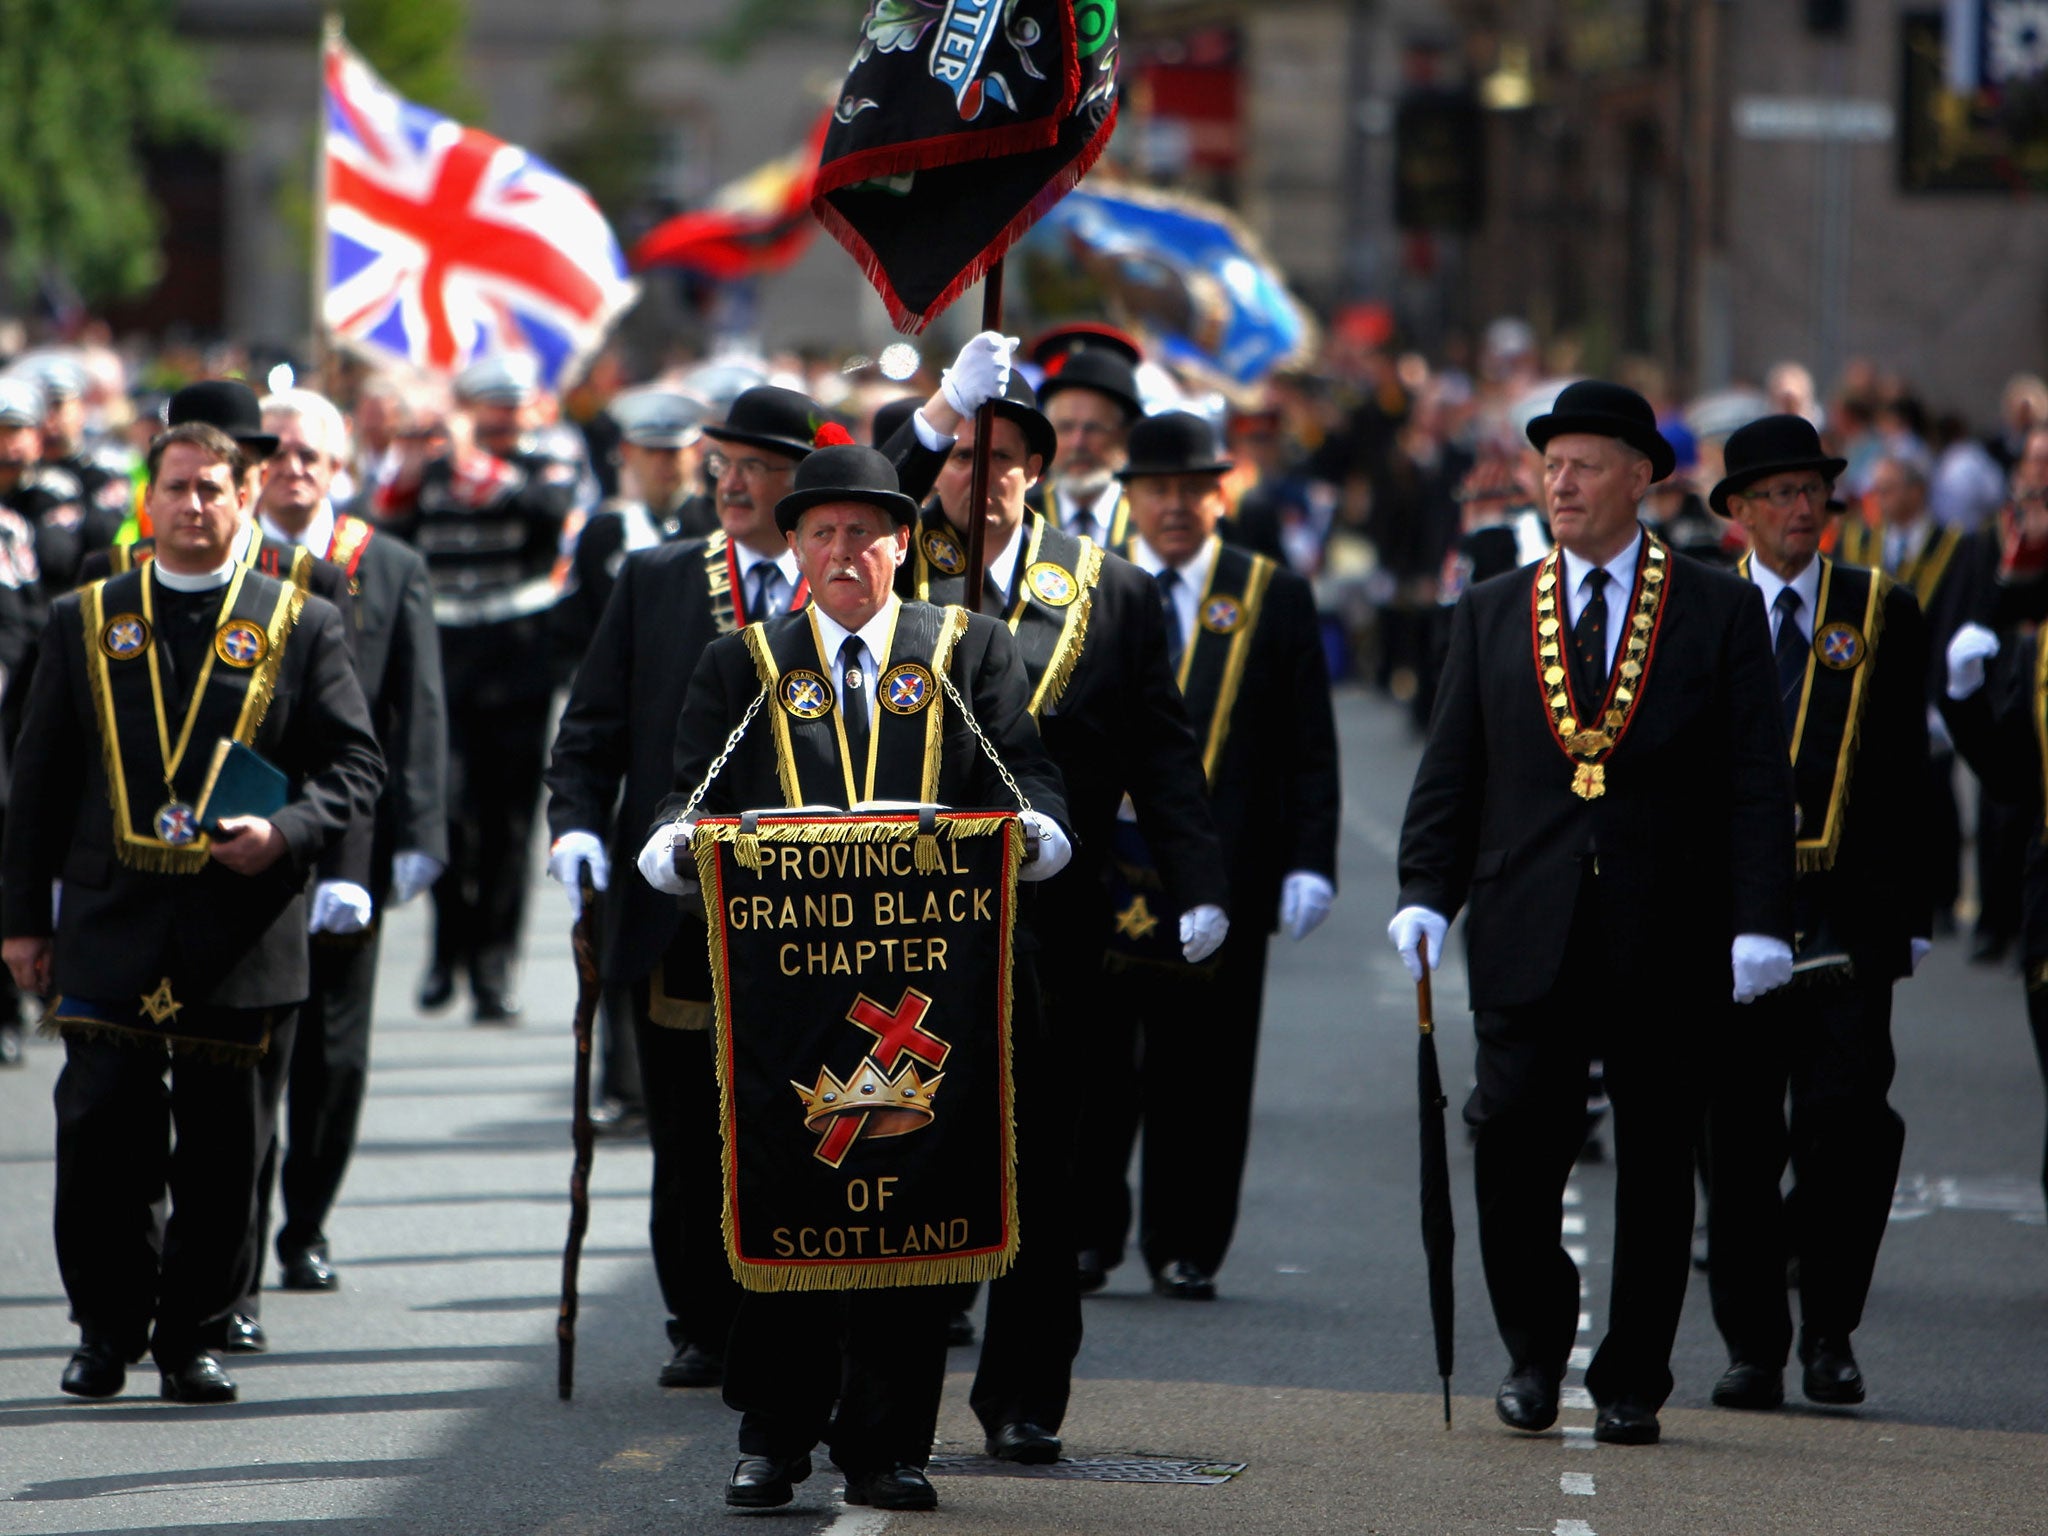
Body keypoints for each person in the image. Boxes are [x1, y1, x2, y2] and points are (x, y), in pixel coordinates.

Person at [638, 439, 1072, 1514]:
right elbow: (681, 806)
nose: (845, 553)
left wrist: (1033, 833)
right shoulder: (742, 665)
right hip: (786, 1006)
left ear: (902, 548)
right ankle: (772, 1435)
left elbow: (1038, 791)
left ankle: (887, 1443)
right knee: (792, 1206)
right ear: (793, 548)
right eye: (822, 532)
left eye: (867, 534)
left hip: (929, 1004)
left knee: (906, 1213)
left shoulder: (967, 654)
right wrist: (671, 852)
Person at [1389, 379, 1797, 1447]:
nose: (1556, 484)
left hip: (1667, 926)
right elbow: (1449, 772)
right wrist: (1423, 894)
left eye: (1579, 465)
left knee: (1660, 1160)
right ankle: (1533, 1347)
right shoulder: (1490, 608)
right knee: (1511, 1145)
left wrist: (1759, 917)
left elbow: (1755, 777)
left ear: (1636, 478)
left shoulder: (1714, 605)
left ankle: (1632, 1376)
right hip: (1525, 921)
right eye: (1548, 465)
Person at [1, 421, 382, 1404]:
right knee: (99, 1138)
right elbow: (34, 785)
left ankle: (193, 1336)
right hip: (110, 918)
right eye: (176, 487)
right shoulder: (84, 617)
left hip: (240, 926)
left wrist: (289, 831)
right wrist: (20, 921)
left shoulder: (299, 621)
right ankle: (103, 1328)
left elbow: (352, 766)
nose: (194, 506)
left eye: (213, 488)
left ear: (243, 498)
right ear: (147, 498)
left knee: (225, 1150)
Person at [891, 369, 1228, 1462]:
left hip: (1052, 919)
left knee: (1046, 1162)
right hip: (909, 916)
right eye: (955, 456)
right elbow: (850, 499)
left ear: (1035, 474)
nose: (972, 477)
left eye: (998, 459)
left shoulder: (1110, 588)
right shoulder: (888, 571)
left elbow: (1161, 755)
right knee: (907, 1145)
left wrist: (1200, 882)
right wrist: (938, 407)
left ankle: (1025, 1393)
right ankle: (893, 1389)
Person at [542, 387, 816, 1389]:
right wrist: (573, 823)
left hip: (808, 904)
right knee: (691, 1127)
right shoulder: (658, 577)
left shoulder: (838, 577)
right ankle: (699, 1317)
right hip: (680, 904)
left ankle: (796, 1301)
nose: (732, 484)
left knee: (798, 1114)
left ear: (800, 481)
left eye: (756, 466)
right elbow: (593, 725)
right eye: (722, 464)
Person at [1079, 410, 1340, 1301]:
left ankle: (1189, 1241)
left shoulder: (1270, 591)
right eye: (1158, 489)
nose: (1176, 506)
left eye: (1194, 488)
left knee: (1209, 1069)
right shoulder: (1092, 589)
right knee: (1099, 1062)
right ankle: (1086, 1233)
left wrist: (1312, 858)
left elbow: (1310, 743)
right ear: (1131, 497)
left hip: (1228, 868)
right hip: (1107, 872)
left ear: (1221, 495)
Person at [1704, 414, 1931, 1412]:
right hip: (1728, 919)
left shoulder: (1877, 608)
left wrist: (1909, 909)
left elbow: (1907, 776)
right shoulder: (1700, 611)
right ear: (1740, 515)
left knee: (1843, 1127)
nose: (1801, 511)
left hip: (1846, 916)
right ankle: (1752, 1344)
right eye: (1779, 495)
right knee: (1738, 1136)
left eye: (1812, 493)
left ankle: (1828, 1331)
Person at [241, 388, 447, 1300]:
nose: (292, 469)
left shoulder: (388, 563)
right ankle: (232, 1248)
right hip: (246, 836)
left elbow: (416, 709)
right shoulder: (224, 559)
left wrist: (421, 832)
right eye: (275, 453)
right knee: (247, 1055)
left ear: (340, 469)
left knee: (336, 1050)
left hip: (351, 842)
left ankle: (306, 1226)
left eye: (309, 456)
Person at [373, 357, 580, 1021]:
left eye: (511, 410)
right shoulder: (431, 467)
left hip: (517, 657)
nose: (501, 422)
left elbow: (550, 512)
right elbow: (388, 532)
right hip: (443, 655)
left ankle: (493, 971)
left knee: (509, 823)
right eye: (488, 408)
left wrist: (472, 462)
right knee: (447, 811)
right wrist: (411, 468)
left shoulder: (547, 459)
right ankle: (447, 947)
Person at [1838, 453, 1993, 932]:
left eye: (1888, 489)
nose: (1878, 500)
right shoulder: (1861, 541)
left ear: (1917, 492)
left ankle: (1942, 897)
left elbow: (1956, 617)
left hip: (1930, 693)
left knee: (1933, 794)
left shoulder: (1957, 547)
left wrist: (1942, 697)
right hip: (1867, 692)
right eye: (1875, 490)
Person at [551, 387, 714, 664]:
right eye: (651, 450)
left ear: (697, 450)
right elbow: (579, 624)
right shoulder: (604, 533)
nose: (663, 463)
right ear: (627, 451)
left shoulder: (718, 526)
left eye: (674, 451)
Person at [1036, 344, 1143, 544]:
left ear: (1124, 436)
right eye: (1065, 427)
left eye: (1094, 428)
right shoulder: (1023, 513)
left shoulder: (1147, 520)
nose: (1078, 443)